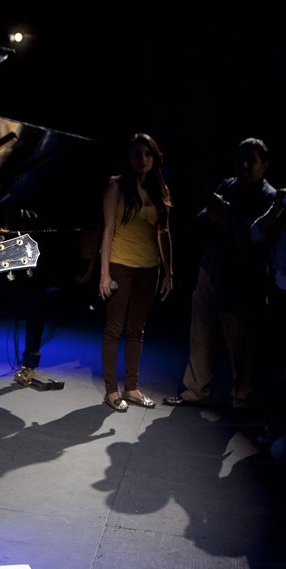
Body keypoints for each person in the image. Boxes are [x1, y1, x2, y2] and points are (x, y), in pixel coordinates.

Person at [164, 137, 276, 413]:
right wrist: (224, 219)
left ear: (265, 166)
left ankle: (242, 399)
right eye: (241, 159)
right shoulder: (228, 184)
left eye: (252, 160)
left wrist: (228, 218)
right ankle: (194, 391)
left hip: (240, 280)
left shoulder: (269, 197)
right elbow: (203, 218)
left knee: (240, 344)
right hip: (211, 269)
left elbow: (255, 240)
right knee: (201, 334)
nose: (245, 165)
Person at [98, 133, 174, 411]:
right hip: (120, 265)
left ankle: (131, 387)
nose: (142, 159)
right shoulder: (116, 187)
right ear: (129, 159)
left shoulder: (160, 190)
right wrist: (104, 274)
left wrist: (169, 272)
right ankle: (111, 391)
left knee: (137, 330)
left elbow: (164, 232)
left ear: (154, 158)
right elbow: (107, 231)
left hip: (149, 269)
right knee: (114, 328)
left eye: (147, 154)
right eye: (137, 154)